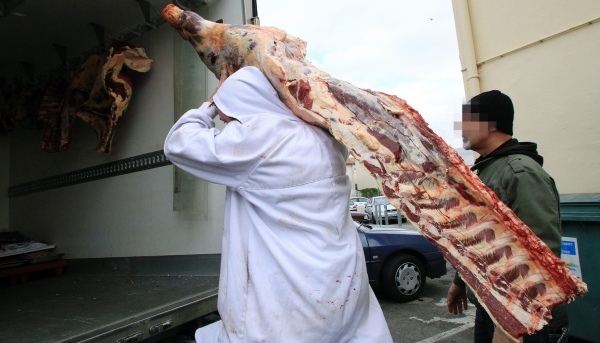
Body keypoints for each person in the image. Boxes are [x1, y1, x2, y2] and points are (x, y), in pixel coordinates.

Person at [164, 66, 393, 343]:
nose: (228, 122)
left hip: (289, 310)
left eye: (230, 111)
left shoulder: (262, 139)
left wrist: (211, 103)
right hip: (339, 292)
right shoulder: (326, 139)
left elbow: (179, 143)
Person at [447, 90, 568, 343]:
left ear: (490, 123)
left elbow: (541, 256)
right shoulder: (487, 171)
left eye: (467, 119)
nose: (461, 128)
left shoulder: (519, 172)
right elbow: (478, 239)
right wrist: (460, 282)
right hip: (491, 306)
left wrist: (511, 325)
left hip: (522, 318)